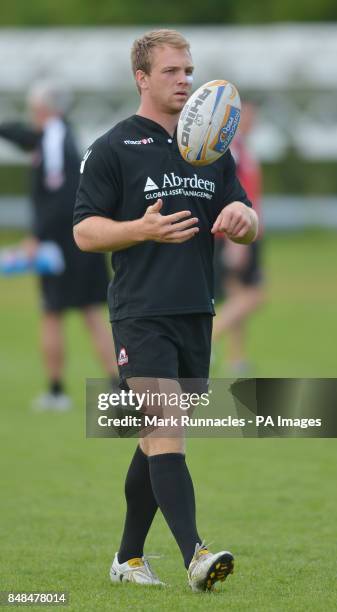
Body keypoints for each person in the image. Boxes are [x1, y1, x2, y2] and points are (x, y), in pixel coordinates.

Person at [73, 30, 258, 592]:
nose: (184, 80)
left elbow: (247, 219)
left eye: (188, 70)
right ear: (142, 77)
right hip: (140, 313)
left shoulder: (211, 150)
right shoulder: (112, 147)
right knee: (166, 424)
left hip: (195, 313)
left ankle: (128, 559)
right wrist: (140, 229)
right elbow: (84, 231)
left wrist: (241, 221)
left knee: (156, 438)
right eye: (173, 71)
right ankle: (197, 556)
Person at [0, 81, 118, 410]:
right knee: (93, 313)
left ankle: (55, 391)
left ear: (43, 108)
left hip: (62, 242)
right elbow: (22, 136)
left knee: (51, 314)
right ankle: (117, 387)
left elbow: (61, 198)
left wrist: (38, 235)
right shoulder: (60, 133)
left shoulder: (52, 139)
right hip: (85, 240)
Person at [212, 102, 265, 373]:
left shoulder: (245, 147)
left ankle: (236, 358)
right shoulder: (232, 150)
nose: (252, 119)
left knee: (238, 295)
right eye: (246, 114)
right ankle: (207, 339)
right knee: (253, 297)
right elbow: (231, 194)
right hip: (240, 236)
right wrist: (236, 241)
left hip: (249, 233)